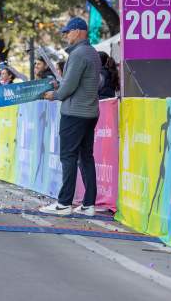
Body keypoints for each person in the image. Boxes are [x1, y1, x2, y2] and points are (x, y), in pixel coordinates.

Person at [41, 17, 101, 216]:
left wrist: (55, 95)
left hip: (74, 113)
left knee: (68, 157)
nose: (65, 36)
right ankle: (88, 204)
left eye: (68, 32)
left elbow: (69, 86)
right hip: (90, 112)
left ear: (78, 31)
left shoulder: (78, 54)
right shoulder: (92, 53)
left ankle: (64, 203)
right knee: (86, 157)